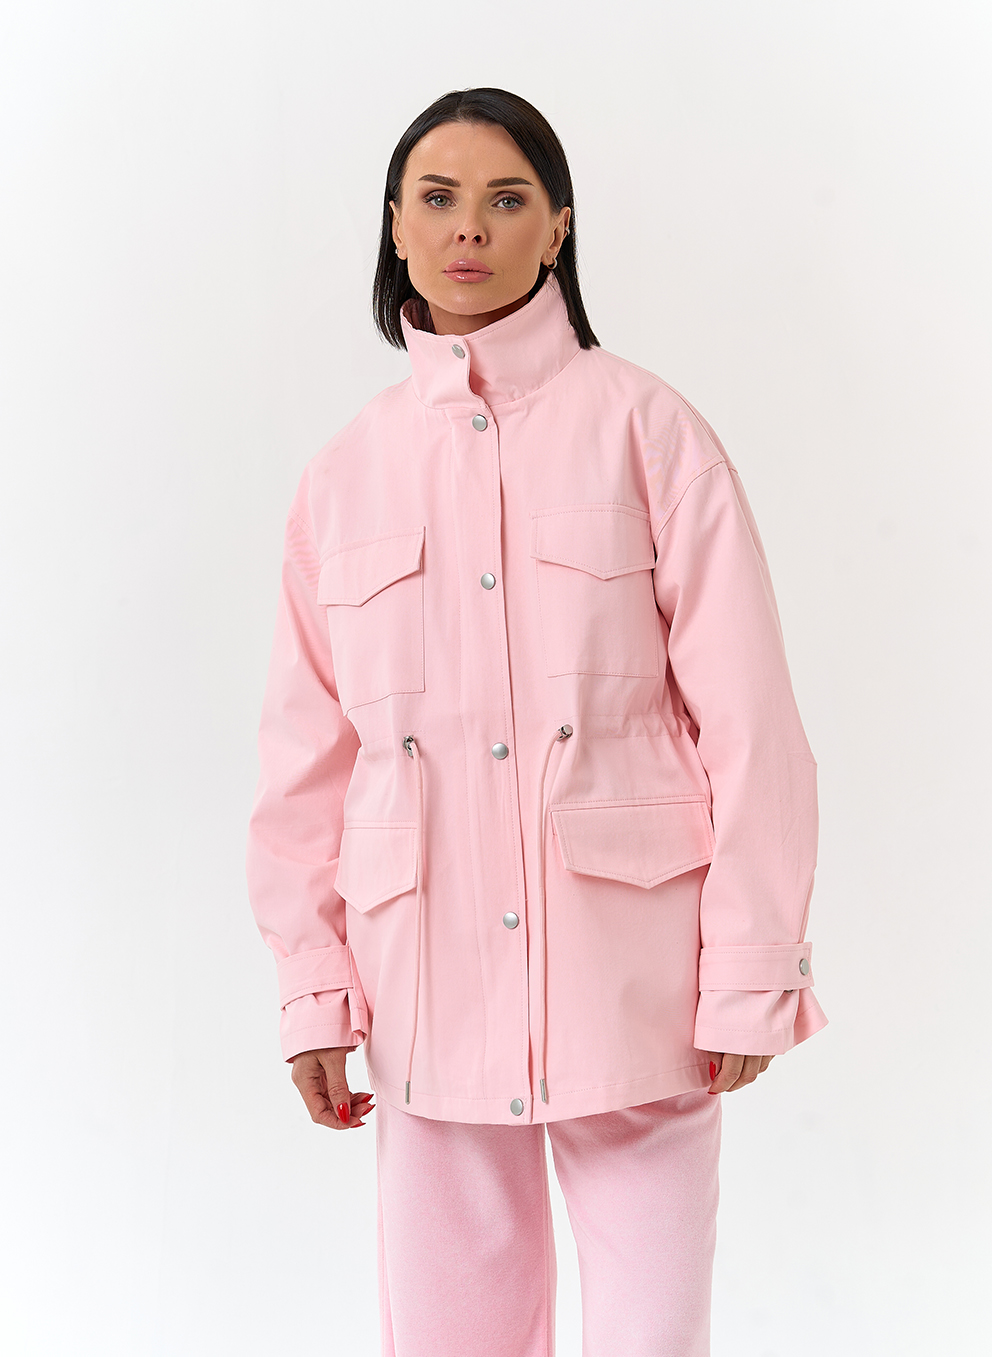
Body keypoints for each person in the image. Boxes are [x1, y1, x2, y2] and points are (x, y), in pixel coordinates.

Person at [246, 86, 828, 1357]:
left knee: (649, 1336)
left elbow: (749, 725)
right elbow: (305, 765)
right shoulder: (343, 476)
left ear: (556, 226)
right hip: (425, 991)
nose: (470, 227)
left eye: (506, 199)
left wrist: (748, 971)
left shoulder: (647, 432)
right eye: (438, 198)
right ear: (395, 226)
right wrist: (313, 992)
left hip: (638, 987)